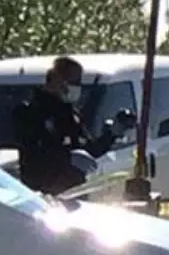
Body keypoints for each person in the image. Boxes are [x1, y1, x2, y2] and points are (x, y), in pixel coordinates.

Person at [13, 56, 124, 195]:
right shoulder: (30, 113)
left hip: (74, 189)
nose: (77, 87)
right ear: (56, 79)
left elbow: (89, 151)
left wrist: (112, 134)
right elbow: (34, 154)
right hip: (44, 192)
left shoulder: (69, 113)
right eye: (74, 81)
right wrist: (67, 157)